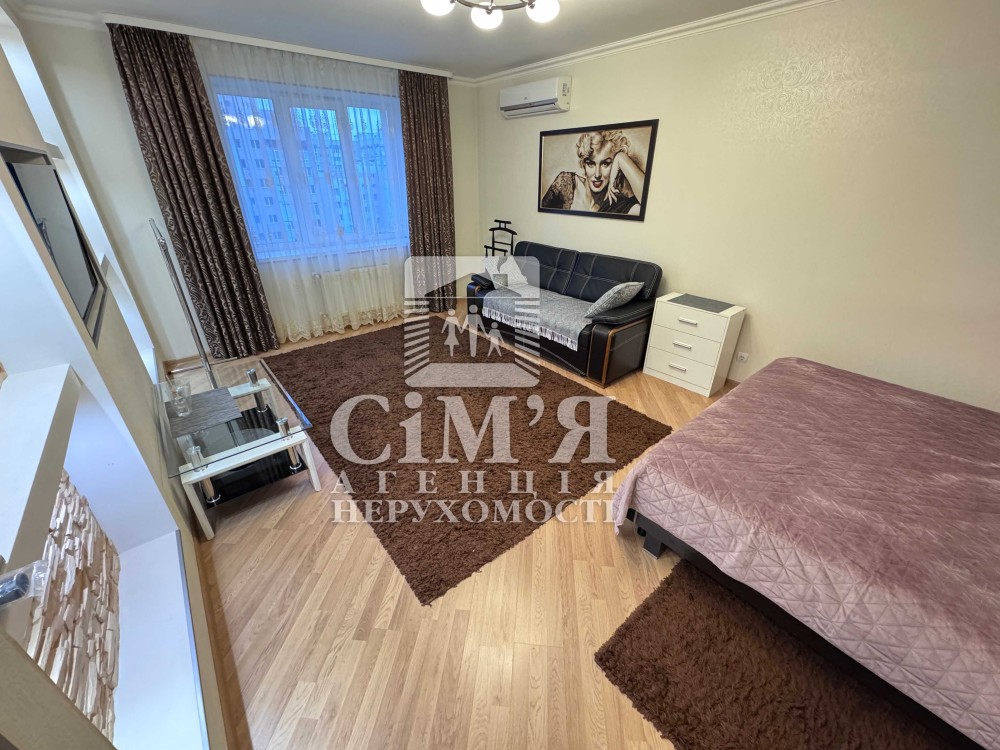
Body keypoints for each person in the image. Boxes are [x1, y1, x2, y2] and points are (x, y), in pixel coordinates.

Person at [541, 130, 647, 216]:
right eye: (590, 164)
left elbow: (649, 205)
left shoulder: (622, 206)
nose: (597, 175)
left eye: (605, 164)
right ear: (583, 164)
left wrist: (621, 158)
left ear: (615, 166)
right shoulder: (565, 183)